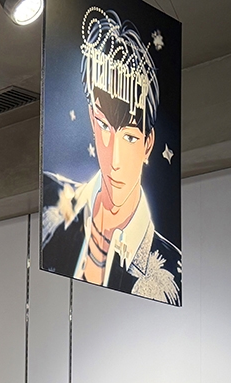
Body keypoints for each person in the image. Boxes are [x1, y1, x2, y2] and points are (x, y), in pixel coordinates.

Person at [42, 8, 180, 305]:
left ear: (148, 144)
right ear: (93, 121)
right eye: (105, 127)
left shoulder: (168, 271)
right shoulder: (50, 200)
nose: (114, 160)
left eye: (129, 137)